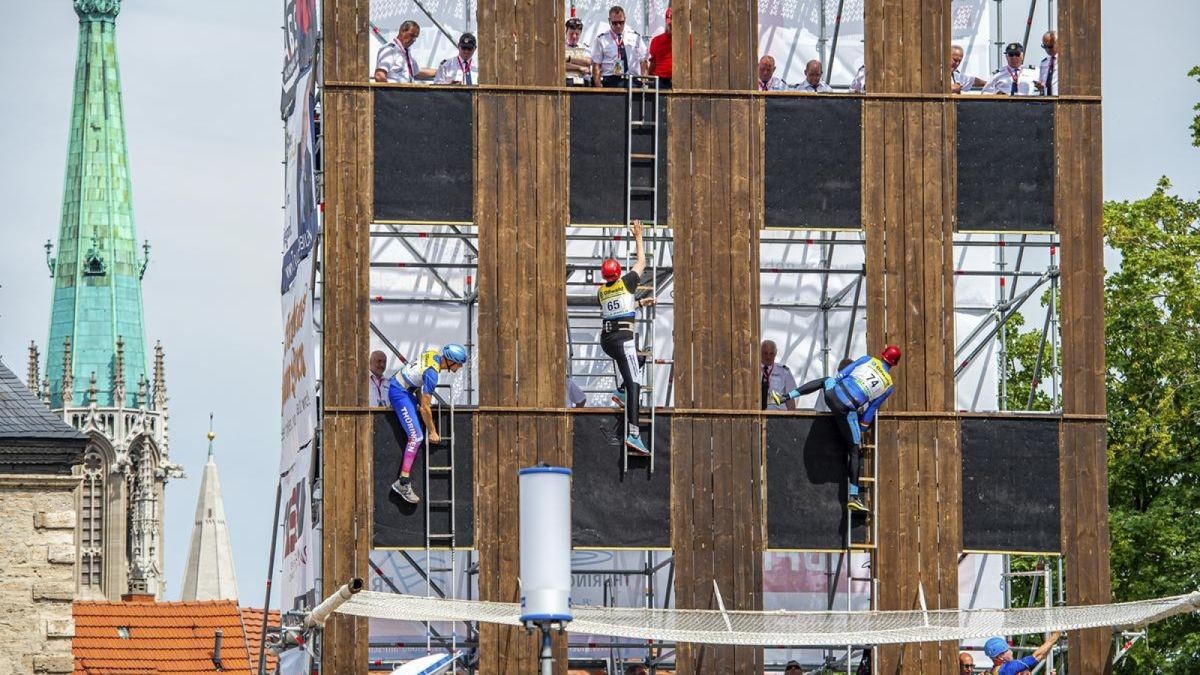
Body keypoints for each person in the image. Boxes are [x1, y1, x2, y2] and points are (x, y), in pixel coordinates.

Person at [772, 346, 902, 511]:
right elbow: (870, 411)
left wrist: (838, 389)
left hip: (833, 395)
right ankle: (854, 497)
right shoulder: (888, 386)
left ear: (882, 355)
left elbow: (841, 375)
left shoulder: (867, 359)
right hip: (846, 409)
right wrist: (860, 431)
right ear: (894, 364)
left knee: (825, 380)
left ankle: (784, 397)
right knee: (854, 450)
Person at [598, 220, 656, 455]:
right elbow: (642, 262)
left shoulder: (602, 291)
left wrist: (640, 302)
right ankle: (633, 435)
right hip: (623, 340)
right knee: (636, 385)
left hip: (607, 340)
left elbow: (618, 308)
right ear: (619, 273)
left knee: (636, 363)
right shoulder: (627, 282)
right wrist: (639, 237)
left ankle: (619, 391)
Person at [387, 344, 468, 503]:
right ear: (450, 361)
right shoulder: (432, 374)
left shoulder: (431, 354)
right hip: (400, 392)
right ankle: (402, 482)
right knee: (416, 437)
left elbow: (416, 378)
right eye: (459, 364)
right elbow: (425, 408)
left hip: (405, 389)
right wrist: (432, 431)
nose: (459, 367)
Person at [591, 5, 648, 88]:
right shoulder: (602, 39)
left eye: (621, 22)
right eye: (614, 23)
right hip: (610, 80)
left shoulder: (635, 37)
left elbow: (643, 61)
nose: (618, 26)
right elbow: (596, 65)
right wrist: (599, 87)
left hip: (632, 80)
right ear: (609, 21)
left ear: (625, 19)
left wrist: (644, 83)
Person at [984, 632, 1060, 674]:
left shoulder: (996, 670)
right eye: (1008, 650)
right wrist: (1055, 636)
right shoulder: (1008, 668)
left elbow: (1040, 656)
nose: (1011, 652)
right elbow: (1037, 657)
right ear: (1000, 657)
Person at [761, 340, 797, 411]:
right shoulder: (751, 371)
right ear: (759, 352)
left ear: (776, 353)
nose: (768, 357)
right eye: (765, 353)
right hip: (756, 415)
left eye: (771, 354)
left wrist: (792, 419)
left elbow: (790, 397)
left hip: (778, 415)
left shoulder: (784, 371)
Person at [647, 7, 672, 88]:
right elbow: (652, 64)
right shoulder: (657, 40)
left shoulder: (689, 40)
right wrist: (649, 79)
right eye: (670, 25)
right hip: (660, 80)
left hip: (683, 80)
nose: (672, 28)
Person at [565, 18, 592, 86]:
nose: (574, 37)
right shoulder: (561, 48)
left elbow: (588, 62)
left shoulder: (585, 47)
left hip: (583, 81)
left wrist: (569, 59)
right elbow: (561, 65)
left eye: (577, 34)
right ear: (566, 32)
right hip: (567, 81)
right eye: (571, 34)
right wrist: (579, 67)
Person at [1035, 31, 1058, 96]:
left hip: (1061, 99)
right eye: (1044, 46)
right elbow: (1042, 83)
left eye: (1050, 46)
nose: (1047, 49)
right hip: (1046, 99)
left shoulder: (1065, 61)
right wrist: (1040, 87)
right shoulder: (1044, 62)